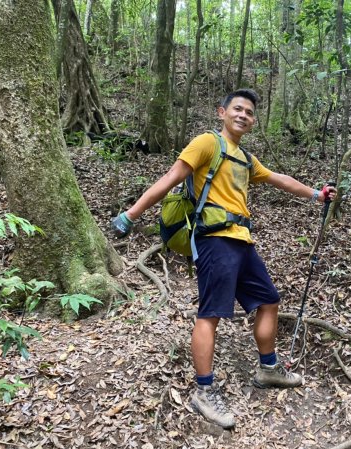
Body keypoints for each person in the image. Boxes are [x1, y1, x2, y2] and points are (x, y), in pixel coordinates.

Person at [112, 89, 336, 429]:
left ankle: (268, 368)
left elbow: (280, 180)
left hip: (243, 243)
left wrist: (315, 195)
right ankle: (204, 391)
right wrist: (131, 215)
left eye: (249, 112)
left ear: (253, 120)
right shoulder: (206, 143)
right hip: (215, 241)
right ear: (222, 112)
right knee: (211, 314)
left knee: (269, 301)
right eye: (237, 109)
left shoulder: (245, 158)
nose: (243, 115)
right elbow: (170, 179)